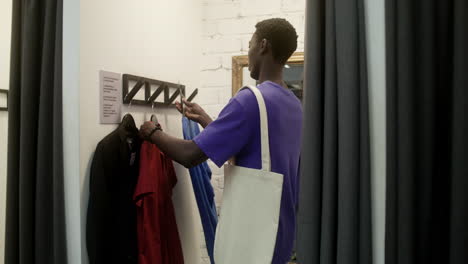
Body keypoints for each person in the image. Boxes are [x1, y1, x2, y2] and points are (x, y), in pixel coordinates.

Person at [140, 18, 302, 264]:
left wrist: (152, 132)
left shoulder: (250, 100)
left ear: (263, 46)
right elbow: (257, 150)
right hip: (281, 235)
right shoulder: (294, 104)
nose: (248, 52)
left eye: (250, 44)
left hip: (253, 236)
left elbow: (190, 155)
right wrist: (208, 121)